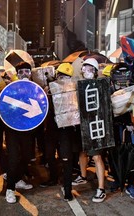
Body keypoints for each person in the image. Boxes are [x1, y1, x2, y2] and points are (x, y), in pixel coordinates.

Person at [72, 58, 106, 203]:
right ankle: (83, 176)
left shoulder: (101, 85)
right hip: (83, 125)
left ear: (96, 72)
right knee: (82, 151)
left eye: (91, 69)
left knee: (97, 156)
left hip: (95, 125)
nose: (88, 72)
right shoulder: (79, 85)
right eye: (85, 68)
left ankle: (101, 189)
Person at [50, 63, 82, 201]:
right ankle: (53, 178)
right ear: (57, 76)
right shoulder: (50, 88)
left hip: (67, 131)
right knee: (50, 156)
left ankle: (67, 188)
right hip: (51, 130)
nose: (64, 80)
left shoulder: (75, 91)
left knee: (66, 159)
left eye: (67, 77)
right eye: (61, 76)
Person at [4, 61, 35, 204]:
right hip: (12, 129)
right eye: (21, 71)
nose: (24, 74)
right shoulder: (10, 88)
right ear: (17, 74)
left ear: (30, 73)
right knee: (13, 158)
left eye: (26, 71)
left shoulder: (35, 89)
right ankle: (10, 189)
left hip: (27, 129)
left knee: (28, 155)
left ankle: (17, 179)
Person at [109, 62, 134, 200]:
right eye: (119, 75)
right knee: (113, 155)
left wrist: (130, 122)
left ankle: (130, 183)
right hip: (114, 128)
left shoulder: (132, 89)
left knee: (131, 155)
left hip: (128, 128)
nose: (122, 78)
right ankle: (117, 179)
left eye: (125, 75)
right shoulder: (109, 89)